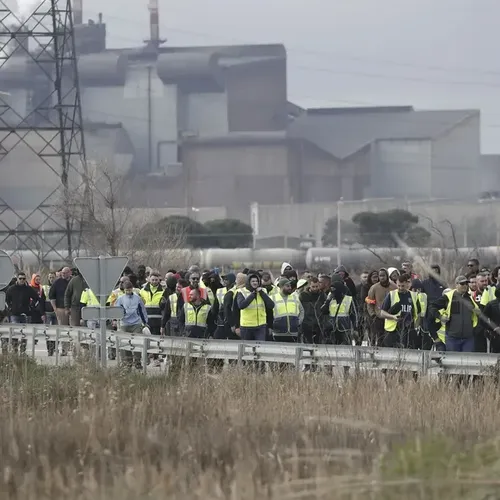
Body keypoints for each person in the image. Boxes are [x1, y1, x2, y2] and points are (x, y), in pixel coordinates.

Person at [429, 275, 479, 353]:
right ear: (456, 285)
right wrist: (440, 316)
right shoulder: (448, 297)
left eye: (466, 283)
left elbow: (477, 314)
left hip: (468, 338)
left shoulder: (470, 298)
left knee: (467, 362)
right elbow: (432, 306)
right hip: (453, 338)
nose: (465, 286)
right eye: (462, 284)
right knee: (453, 362)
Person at [380, 274, 420, 349]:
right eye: (398, 285)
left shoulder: (414, 296)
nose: (400, 288)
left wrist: (416, 326)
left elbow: (418, 313)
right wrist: (392, 317)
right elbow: (382, 313)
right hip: (393, 329)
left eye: (403, 286)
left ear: (407, 284)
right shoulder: (391, 295)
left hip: (408, 329)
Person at [5, 272, 41, 354]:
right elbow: (6, 300)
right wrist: (10, 308)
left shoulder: (28, 289)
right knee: (15, 332)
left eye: (24, 279)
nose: (22, 280)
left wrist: (32, 307)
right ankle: (15, 349)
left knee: (24, 334)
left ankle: (23, 350)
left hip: (26, 314)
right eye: (20, 278)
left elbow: (37, 299)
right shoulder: (11, 289)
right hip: (15, 314)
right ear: (17, 279)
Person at [115, 281, 148, 369]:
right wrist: (116, 319)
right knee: (125, 343)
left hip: (136, 323)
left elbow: (142, 311)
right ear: (124, 290)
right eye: (126, 291)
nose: (128, 292)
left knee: (137, 343)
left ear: (132, 289)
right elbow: (116, 311)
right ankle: (127, 362)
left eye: (129, 290)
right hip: (124, 323)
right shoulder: (120, 299)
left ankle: (137, 361)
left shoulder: (137, 298)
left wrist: (145, 322)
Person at [236, 272, 275, 341]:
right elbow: (241, 305)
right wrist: (253, 294)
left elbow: (271, 305)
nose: (255, 283)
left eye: (257, 281)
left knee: (260, 347)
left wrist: (261, 293)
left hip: (261, 326)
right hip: (246, 326)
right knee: (247, 348)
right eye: (253, 281)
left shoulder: (263, 291)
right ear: (248, 282)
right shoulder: (241, 292)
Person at [365, 268, 396, 346]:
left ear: (387, 276)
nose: (382, 277)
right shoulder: (374, 288)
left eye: (384, 275)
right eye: (380, 276)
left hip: (390, 317)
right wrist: (372, 315)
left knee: (389, 338)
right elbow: (369, 303)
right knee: (379, 338)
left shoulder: (394, 287)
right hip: (378, 317)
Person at [320, 281, 357, 345]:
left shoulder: (349, 299)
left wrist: (355, 328)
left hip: (344, 329)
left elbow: (354, 315)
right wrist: (328, 301)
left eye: (334, 290)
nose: (332, 292)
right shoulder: (330, 299)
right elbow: (323, 311)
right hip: (332, 329)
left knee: (346, 347)